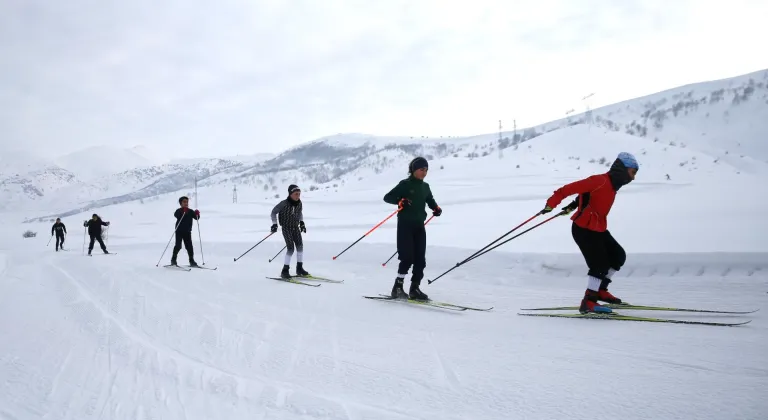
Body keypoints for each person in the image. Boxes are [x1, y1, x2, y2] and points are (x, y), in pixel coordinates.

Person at [541, 152, 639, 314]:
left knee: (618, 256)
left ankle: (600, 290)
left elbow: (587, 195)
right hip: (583, 229)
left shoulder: (611, 186)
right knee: (599, 264)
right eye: (632, 173)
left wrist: (572, 206)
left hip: (598, 228)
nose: (633, 178)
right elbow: (567, 190)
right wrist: (551, 204)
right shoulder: (599, 180)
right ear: (622, 169)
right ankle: (589, 301)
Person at [383, 156, 442, 300]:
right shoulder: (405, 184)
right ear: (414, 170)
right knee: (407, 258)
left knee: (420, 259)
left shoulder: (425, 186)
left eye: (426, 170)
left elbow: (430, 200)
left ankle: (414, 288)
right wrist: (400, 200)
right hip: (405, 225)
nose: (424, 172)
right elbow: (388, 197)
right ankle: (397, 287)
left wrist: (436, 208)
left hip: (419, 226)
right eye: (422, 169)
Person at [271, 184, 308, 278]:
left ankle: (299, 268)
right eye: (296, 194)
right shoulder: (283, 203)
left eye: (299, 194)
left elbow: (299, 213)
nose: (298, 196)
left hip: (295, 227)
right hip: (286, 227)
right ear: (290, 194)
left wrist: (302, 223)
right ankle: (285, 271)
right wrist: (274, 224)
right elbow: (273, 212)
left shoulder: (299, 203)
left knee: (300, 247)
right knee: (291, 248)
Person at [171, 196, 200, 267]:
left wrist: (197, 214)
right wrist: (183, 212)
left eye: (187, 202)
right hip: (179, 231)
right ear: (180, 203)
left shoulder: (190, 211)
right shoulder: (179, 211)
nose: (186, 203)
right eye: (184, 202)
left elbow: (196, 218)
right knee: (178, 246)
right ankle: (173, 260)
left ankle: (192, 261)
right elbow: (176, 215)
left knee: (189, 246)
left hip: (187, 232)